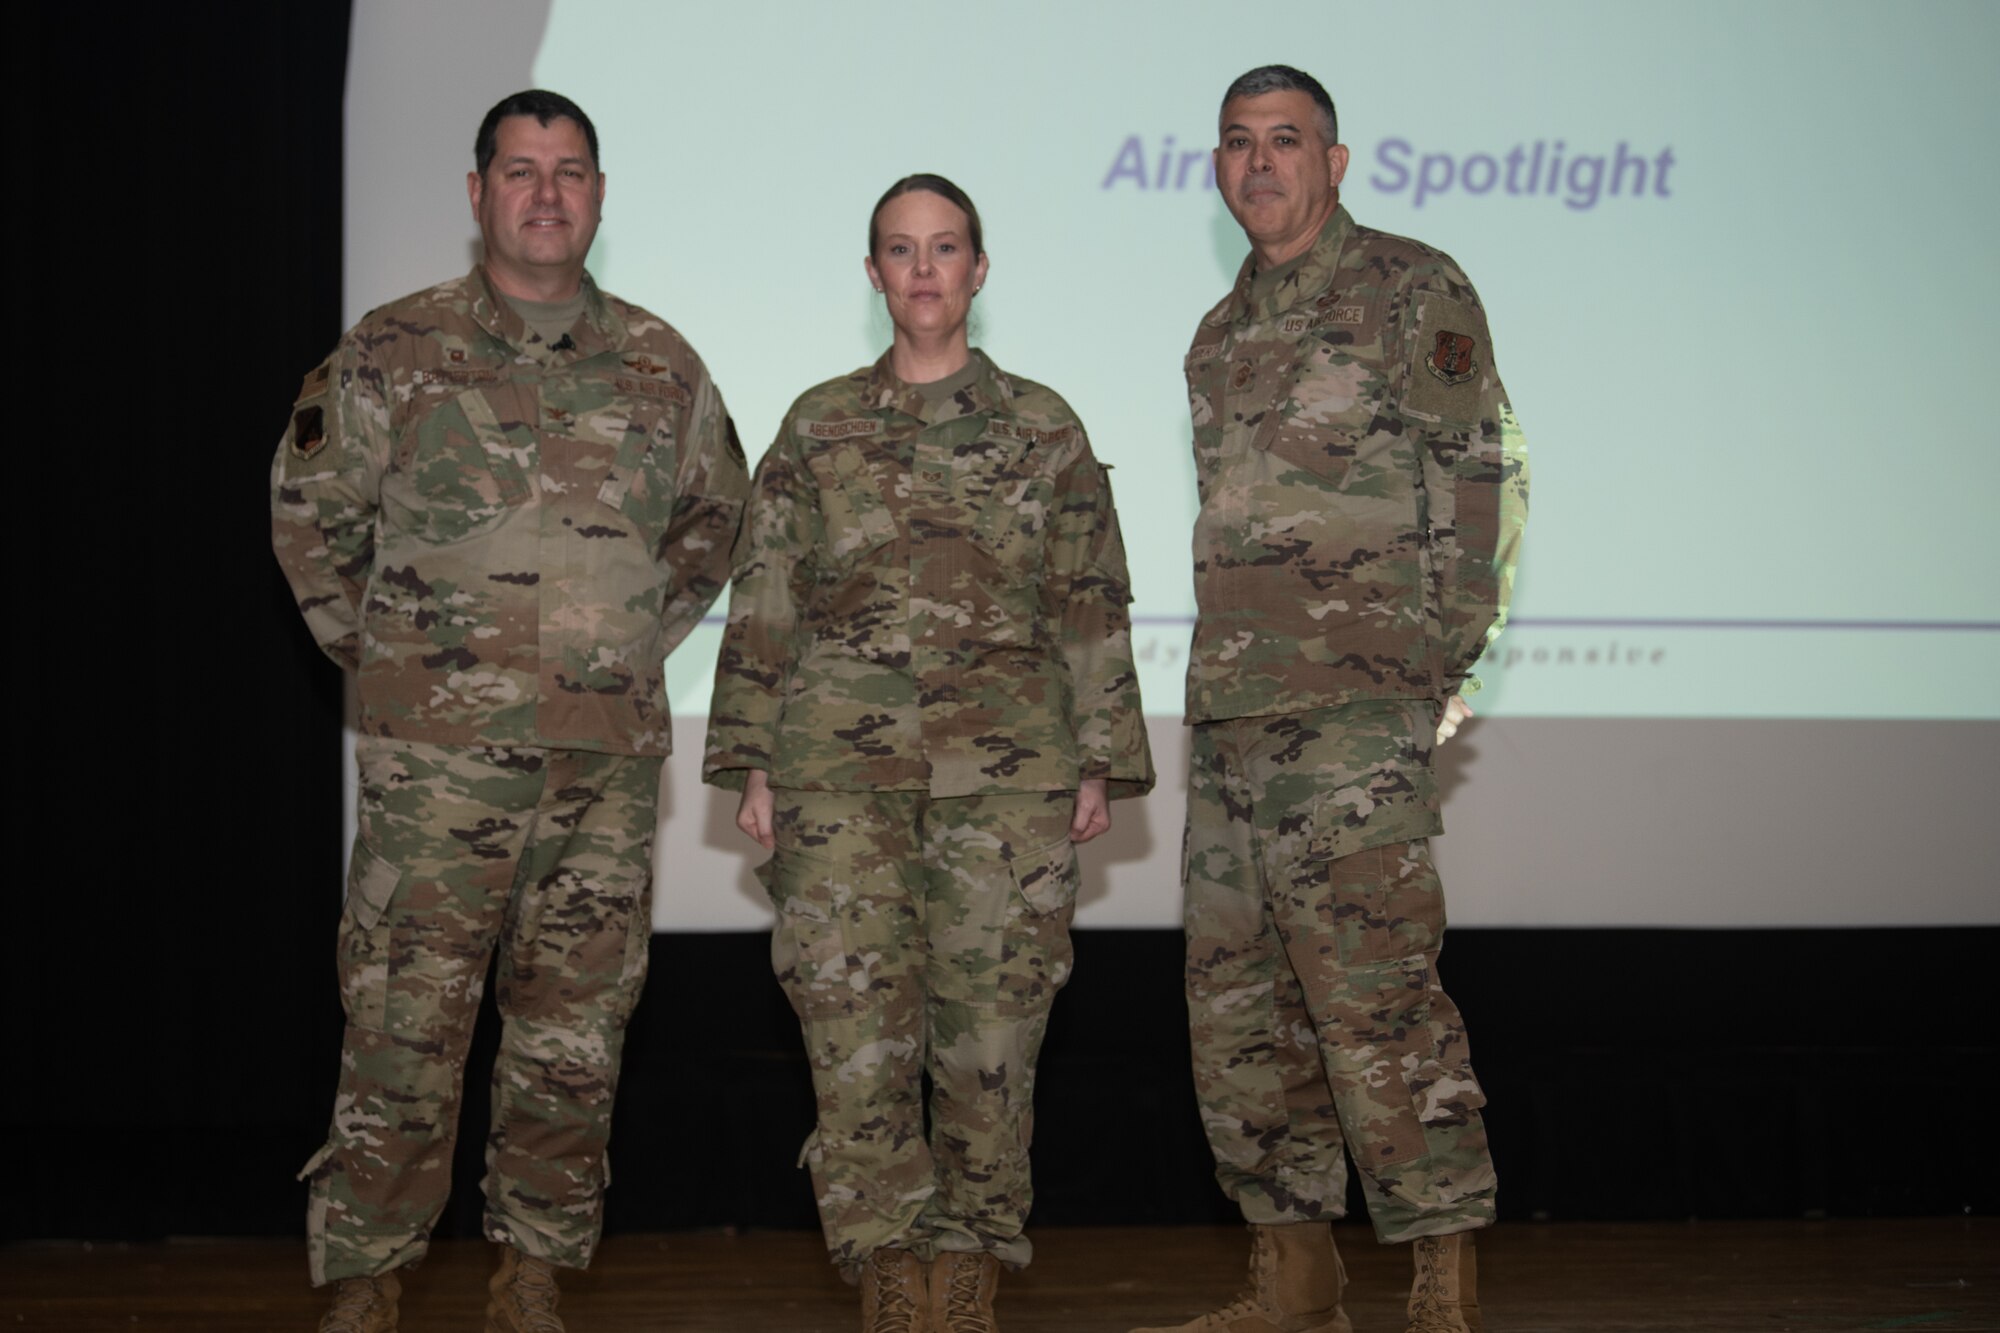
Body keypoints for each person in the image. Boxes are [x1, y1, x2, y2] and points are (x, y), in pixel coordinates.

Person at [271, 90, 749, 1333]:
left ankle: (534, 1264)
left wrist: (630, 643)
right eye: (522, 171)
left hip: (600, 765)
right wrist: (387, 667)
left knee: (575, 1030)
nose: (547, 193)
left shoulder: (661, 364)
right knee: (402, 1016)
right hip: (438, 769)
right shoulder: (392, 349)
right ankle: (368, 1267)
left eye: (571, 171)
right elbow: (311, 520)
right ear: (477, 192)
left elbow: (713, 526)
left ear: (600, 196)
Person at [705, 173, 1153, 1333]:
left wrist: (1098, 760)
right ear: (872, 276)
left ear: (977, 271)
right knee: (852, 1029)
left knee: (992, 1029)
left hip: (1008, 780)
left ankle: (969, 1257)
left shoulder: (1044, 428)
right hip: (834, 781)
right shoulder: (816, 427)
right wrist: (750, 761)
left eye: (944, 248)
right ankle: (887, 1263)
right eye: (899, 251)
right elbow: (765, 603)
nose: (922, 270)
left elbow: (1089, 603)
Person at [1133, 66, 1528, 1333]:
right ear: (1215, 166)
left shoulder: (1413, 288)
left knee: (1376, 1003)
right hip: (1233, 717)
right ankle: (1291, 1276)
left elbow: (1485, 476)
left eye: (1285, 141)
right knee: (1237, 1010)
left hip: (1355, 712)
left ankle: (1439, 1282)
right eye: (1238, 144)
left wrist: (1433, 669)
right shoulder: (1214, 332)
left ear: (1335, 161)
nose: (1260, 164)